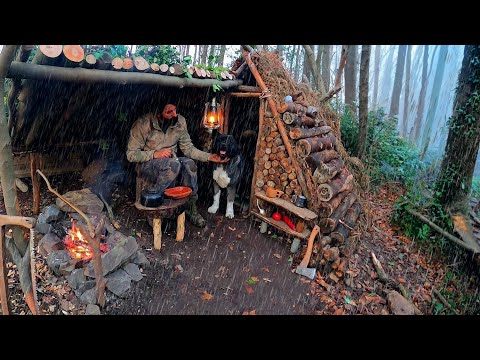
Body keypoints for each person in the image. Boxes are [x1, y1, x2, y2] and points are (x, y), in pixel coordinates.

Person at [126, 103, 228, 227]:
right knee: (173, 165)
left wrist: (209, 157)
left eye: (175, 110)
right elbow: (131, 154)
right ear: (158, 112)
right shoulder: (143, 124)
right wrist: (154, 154)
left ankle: (190, 207)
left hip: (172, 161)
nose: (174, 114)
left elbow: (188, 149)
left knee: (189, 165)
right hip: (147, 165)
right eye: (169, 112)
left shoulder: (180, 121)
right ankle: (154, 210)